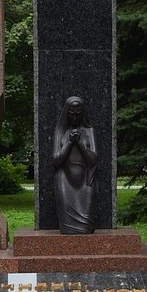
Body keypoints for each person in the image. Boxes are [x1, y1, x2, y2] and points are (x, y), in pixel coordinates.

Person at [53, 96, 98, 234]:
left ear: (83, 114)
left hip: (85, 181)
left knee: (85, 227)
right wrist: (70, 142)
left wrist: (79, 143)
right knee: (68, 228)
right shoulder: (60, 132)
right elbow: (55, 160)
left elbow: (94, 159)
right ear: (66, 114)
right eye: (71, 114)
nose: (74, 118)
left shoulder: (89, 131)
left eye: (78, 114)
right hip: (65, 179)